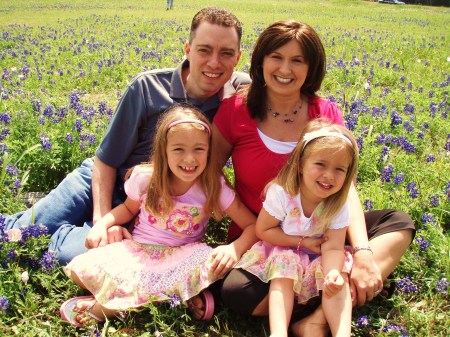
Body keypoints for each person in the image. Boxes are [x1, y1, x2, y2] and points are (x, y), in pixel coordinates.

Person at [1, 7, 250, 265]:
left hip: (151, 210)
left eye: (226, 53)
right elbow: (106, 160)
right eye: (204, 50)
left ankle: (56, 229)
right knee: (16, 233)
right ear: (187, 49)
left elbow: (281, 88)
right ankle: (42, 215)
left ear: (238, 57)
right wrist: (103, 221)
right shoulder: (147, 87)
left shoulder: (240, 95)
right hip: (98, 183)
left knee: (72, 256)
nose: (214, 62)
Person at [212, 20, 415, 337]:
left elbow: (345, 188)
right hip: (265, 236)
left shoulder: (325, 113)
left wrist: (361, 252)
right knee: (237, 292)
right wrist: (241, 230)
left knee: (398, 223)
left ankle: (318, 316)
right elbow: (209, 173)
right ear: (261, 60)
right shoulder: (236, 109)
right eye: (276, 57)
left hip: (326, 233)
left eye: (297, 60)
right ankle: (344, 289)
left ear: (311, 68)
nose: (285, 69)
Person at [60, 105, 256, 327]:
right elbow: (127, 210)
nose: (189, 159)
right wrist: (102, 224)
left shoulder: (212, 186)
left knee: (207, 258)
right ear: (164, 150)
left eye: (199, 149)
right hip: (139, 252)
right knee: (80, 270)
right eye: (179, 149)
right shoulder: (145, 178)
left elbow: (252, 226)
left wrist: (234, 248)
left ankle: (106, 306)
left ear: (209, 150)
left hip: (182, 256)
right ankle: (180, 295)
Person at [235, 119, 359, 337]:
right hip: (284, 248)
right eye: (320, 164)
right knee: (284, 269)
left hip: (319, 255)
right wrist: (301, 242)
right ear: (301, 164)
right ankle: (279, 332)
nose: (329, 176)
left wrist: (332, 273)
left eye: (339, 169)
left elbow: (333, 248)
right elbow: (263, 230)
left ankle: (343, 333)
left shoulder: (338, 203)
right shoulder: (282, 193)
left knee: (339, 279)